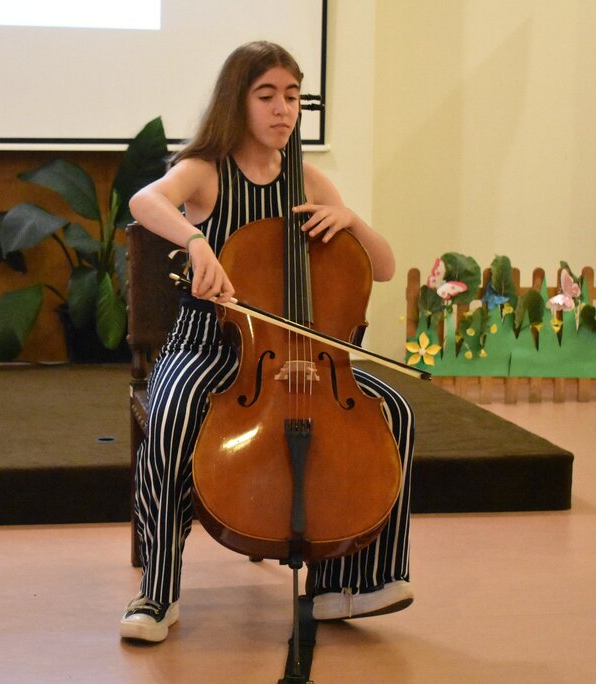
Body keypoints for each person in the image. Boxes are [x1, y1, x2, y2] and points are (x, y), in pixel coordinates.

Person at [121, 41, 415, 644]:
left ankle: (351, 582)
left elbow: (382, 268)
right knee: (173, 416)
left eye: (292, 96)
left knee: (397, 411)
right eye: (267, 96)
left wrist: (353, 222)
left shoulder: (306, 178)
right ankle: (158, 590)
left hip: (302, 360)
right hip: (207, 344)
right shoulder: (208, 169)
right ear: (240, 100)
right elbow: (145, 200)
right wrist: (197, 242)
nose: (284, 109)